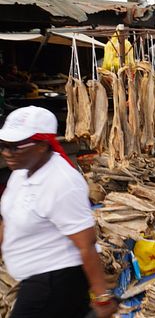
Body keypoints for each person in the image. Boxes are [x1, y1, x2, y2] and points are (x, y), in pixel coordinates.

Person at [0, 106, 117, 318]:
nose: (7, 153)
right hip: (37, 280)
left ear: (42, 145)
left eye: (15, 146)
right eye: (3, 146)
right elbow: (8, 219)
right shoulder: (20, 173)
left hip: (55, 281)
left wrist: (102, 298)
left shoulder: (62, 182)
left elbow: (87, 245)